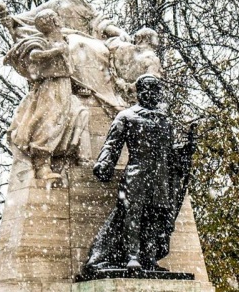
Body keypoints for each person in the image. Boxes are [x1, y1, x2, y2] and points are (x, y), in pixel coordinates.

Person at [83, 75, 195, 274]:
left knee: (154, 217)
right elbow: (112, 144)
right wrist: (104, 162)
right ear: (139, 92)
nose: (150, 93)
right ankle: (132, 256)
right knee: (132, 215)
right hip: (137, 172)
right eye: (146, 89)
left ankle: (149, 257)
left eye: (154, 90)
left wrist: (185, 149)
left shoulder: (165, 121)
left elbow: (169, 153)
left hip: (160, 176)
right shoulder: (126, 116)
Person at [1, 9, 89, 182]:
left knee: (73, 117)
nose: (59, 20)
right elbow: (34, 55)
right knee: (49, 122)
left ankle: (73, 159)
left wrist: (78, 86)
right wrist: (55, 51)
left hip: (65, 85)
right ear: (52, 22)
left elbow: (68, 70)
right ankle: (43, 167)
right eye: (55, 18)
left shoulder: (64, 39)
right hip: (51, 87)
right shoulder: (42, 40)